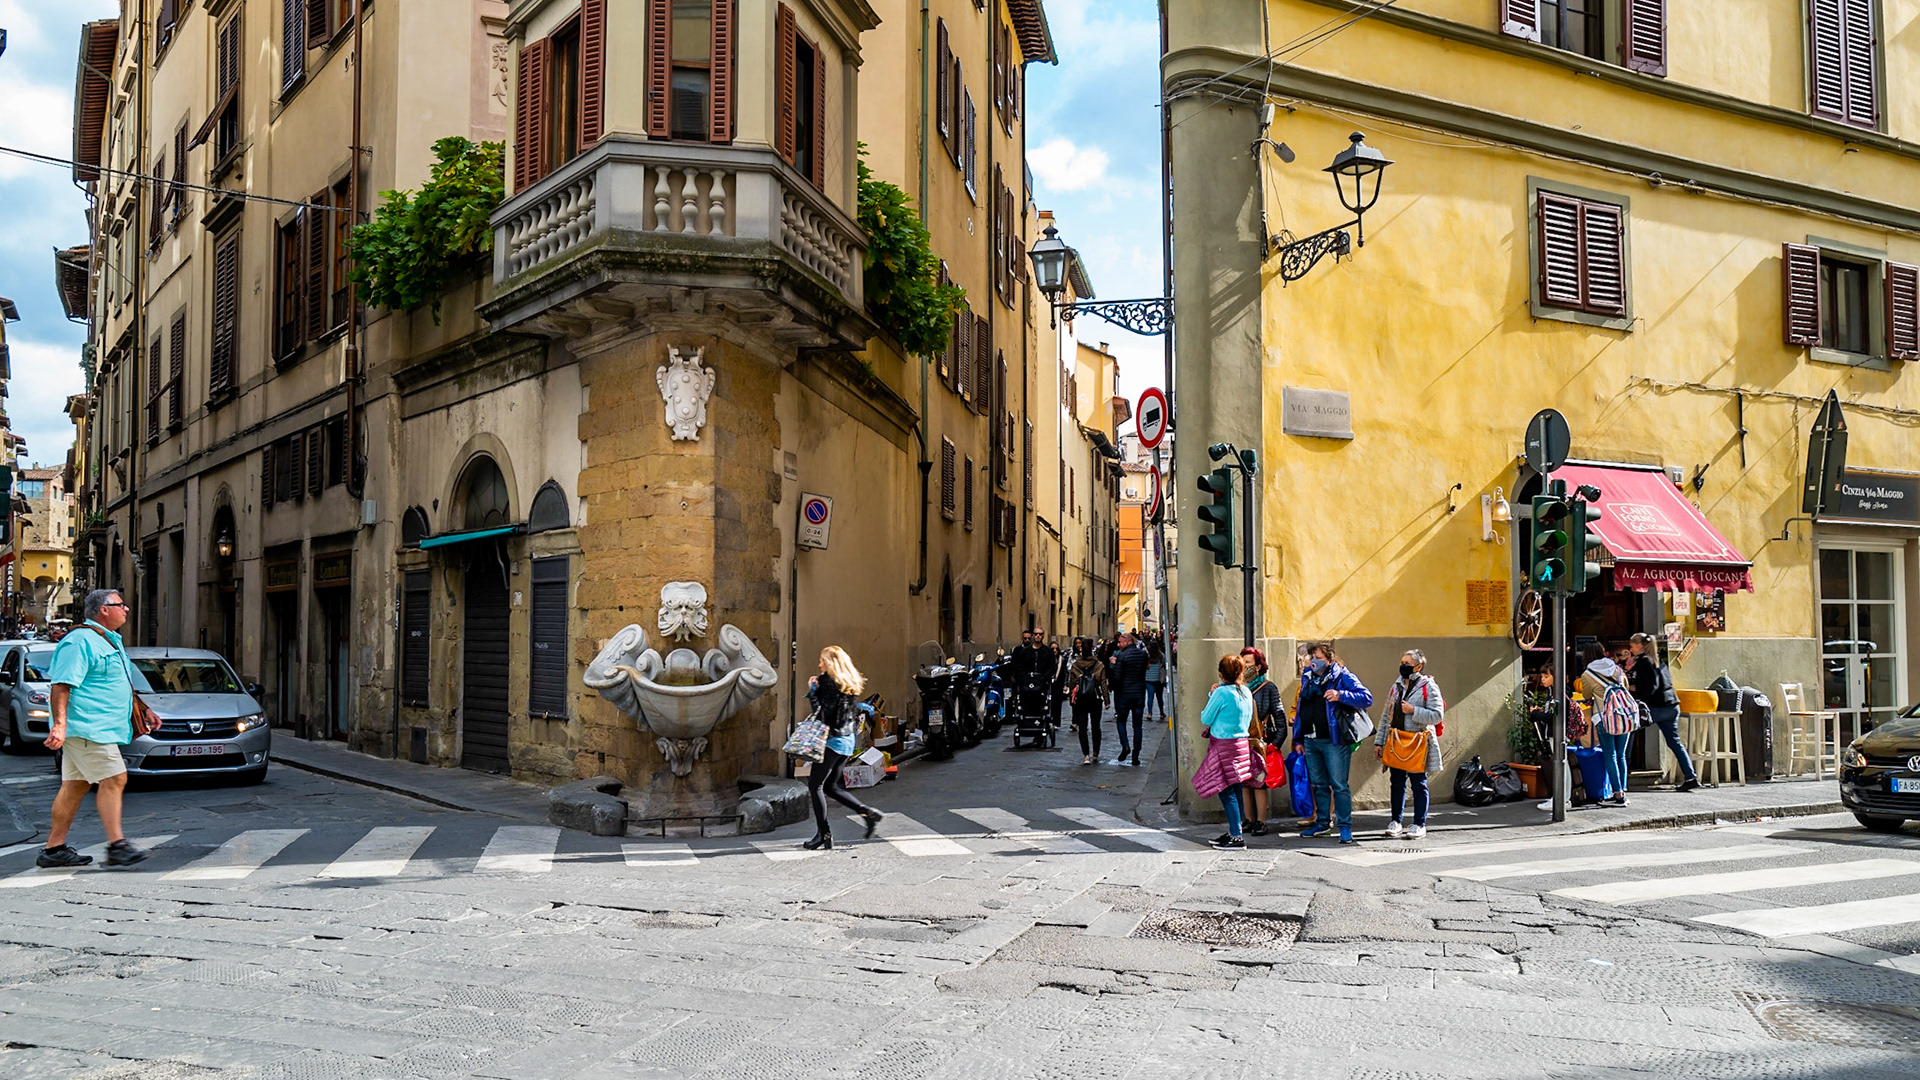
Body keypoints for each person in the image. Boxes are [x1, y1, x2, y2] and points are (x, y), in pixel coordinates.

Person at [36, 589, 150, 869]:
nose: (126, 609)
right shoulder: (79, 641)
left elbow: (113, 683)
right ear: (103, 609)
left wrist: (144, 709)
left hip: (97, 726)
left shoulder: (108, 641)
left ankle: (53, 850)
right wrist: (60, 725)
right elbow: (61, 684)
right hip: (88, 727)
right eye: (120, 604)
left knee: (75, 786)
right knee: (115, 778)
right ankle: (117, 846)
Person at [802, 646, 884, 850]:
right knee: (831, 786)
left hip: (832, 741)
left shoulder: (827, 682)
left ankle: (823, 834)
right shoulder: (850, 683)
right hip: (847, 741)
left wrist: (813, 692)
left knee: (815, 786)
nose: (819, 664)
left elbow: (824, 714)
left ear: (830, 663)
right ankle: (867, 812)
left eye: (822, 661)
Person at [1291, 642, 1371, 844]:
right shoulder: (1308, 678)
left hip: (1334, 740)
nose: (1313, 661)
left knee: (1339, 785)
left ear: (1330, 660)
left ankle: (1345, 827)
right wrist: (1298, 738)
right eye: (1312, 657)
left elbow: (1366, 697)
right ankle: (1323, 823)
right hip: (1311, 740)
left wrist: (1340, 695)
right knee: (1318, 784)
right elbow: (1301, 709)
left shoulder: (1342, 677)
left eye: (1318, 657)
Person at [1374, 649, 1444, 839]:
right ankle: (1396, 821)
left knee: (1419, 783)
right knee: (1396, 783)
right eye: (1402, 662)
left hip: (1417, 742)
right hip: (1396, 740)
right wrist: (1379, 742)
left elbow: (1437, 715)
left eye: (1407, 663)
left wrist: (1414, 710)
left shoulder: (1428, 686)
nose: (1403, 666)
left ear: (1418, 666)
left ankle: (1419, 823)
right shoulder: (1395, 686)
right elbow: (1385, 716)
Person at [1191, 654, 1255, 849]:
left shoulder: (1221, 693)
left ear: (1221, 673)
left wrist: (1212, 695)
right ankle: (1235, 831)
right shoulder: (1246, 691)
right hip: (1241, 744)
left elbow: (1206, 717)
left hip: (1223, 746)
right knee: (1236, 789)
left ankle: (1236, 836)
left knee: (1226, 791)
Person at [1628, 632, 1698, 793]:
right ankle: (1690, 776)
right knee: (1675, 742)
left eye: (1631, 646)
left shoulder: (1644, 662)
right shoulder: (1658, 659)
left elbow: (1651, 686)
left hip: (1657, 707)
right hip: (1672, 706)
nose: (1630, 649)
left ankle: (1622, 773)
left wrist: (1638, 695)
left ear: (1639, 646)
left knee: (1629, 729)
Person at [1579, 642, 1632, 806]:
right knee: (1621, 755)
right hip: (1623, 716)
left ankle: (1617, 795)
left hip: (1604, 718)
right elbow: (1626, 687)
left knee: (1610, 755)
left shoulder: (1588, 674)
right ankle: (1622, 790)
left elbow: (1587, 694)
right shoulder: (1617, 669)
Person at [1239, 647, 1283, 836]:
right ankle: (1248, 819)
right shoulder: (1236, 687)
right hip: (1241, 740)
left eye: (1248, 663)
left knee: (1259, 783)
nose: (1244, 666)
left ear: (1258, 666)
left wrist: (1275, 744)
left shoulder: (1268, 688)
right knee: (1244, 783)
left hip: (1260, 741)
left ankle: (1261, 821)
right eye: (1242, 663)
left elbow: (1280, 718)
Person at [1109, 631, 1150, 765]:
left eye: (1120, 642)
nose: (1119, 645)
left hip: (1124, 694)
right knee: (1137, 725)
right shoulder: (1142, 655)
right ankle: (1136, 755)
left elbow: (1117, 677)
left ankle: (1125, 745)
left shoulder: (1122, 656)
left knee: (1121, 721)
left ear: (1127, 641)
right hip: (1139, 694)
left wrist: (1114, 666)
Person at [1066, 637, 1108, 764]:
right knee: (1096, 726)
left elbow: (1072, 683)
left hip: (1081, 699)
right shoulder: (1099, 665)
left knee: (1082, 727)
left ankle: (1086, 755)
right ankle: (1096, 751)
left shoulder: (1075, 665)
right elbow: (1103, 683)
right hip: (1095, 698)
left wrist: (1071, 700)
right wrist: (1107, 700)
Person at [1144, 635, 1167, 722]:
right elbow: (1165, 665)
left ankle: (1150, 713)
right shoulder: (1161, 656)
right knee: (1159, 697)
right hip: (1158, 680)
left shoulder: (1147, 656)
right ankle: (1161, 712)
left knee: (1150, 697)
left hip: (1148, 679)